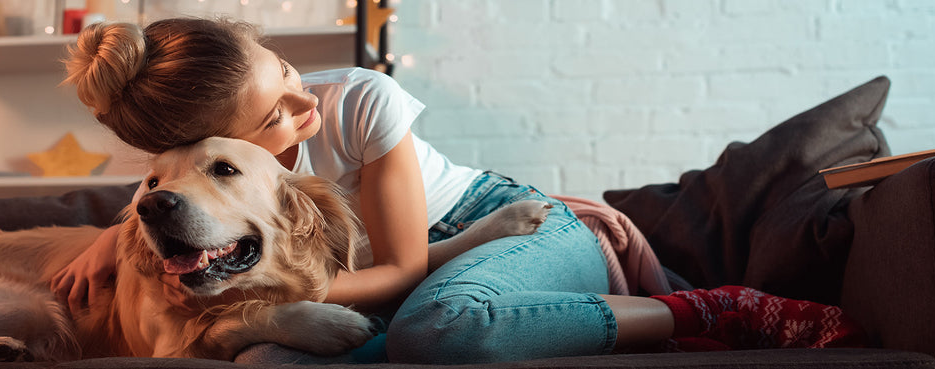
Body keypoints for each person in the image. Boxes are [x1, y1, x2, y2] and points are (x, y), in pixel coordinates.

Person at [53, 17, 865, 364]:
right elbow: (165, 194)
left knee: (440, 326)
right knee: (268, 358)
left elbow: (405, 268)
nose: (307, 103)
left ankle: (709, 310)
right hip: (394, 292)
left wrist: (277, 306)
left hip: (501, 231)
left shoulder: (359, 100)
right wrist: (120, 225)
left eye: (289, 72)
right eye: (272, 115)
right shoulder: (196, 176)